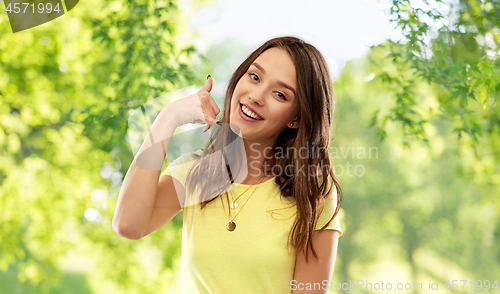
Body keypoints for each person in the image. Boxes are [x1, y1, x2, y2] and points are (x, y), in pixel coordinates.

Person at [113, 36, 344, 294]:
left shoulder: (313, 193)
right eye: (254, 77)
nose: (256, 96)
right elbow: (128, 224)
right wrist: (167, 118)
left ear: (297, 118)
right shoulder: (195, 172)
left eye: (280, 94)